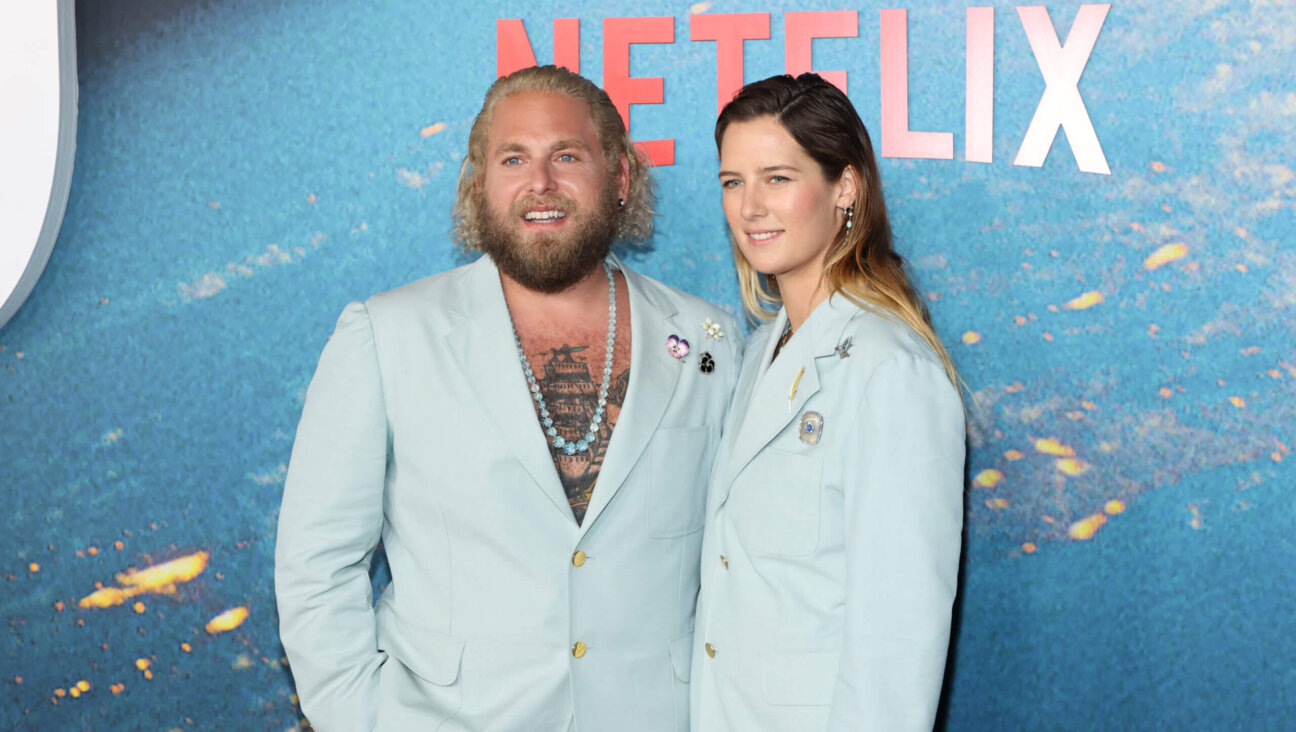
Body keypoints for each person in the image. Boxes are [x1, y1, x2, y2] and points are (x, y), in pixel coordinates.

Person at [275, 65, 742, 732]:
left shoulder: (711, 341)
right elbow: (314, 564)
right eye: (514, 157)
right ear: (479, 184)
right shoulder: (387, 336)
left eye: (568, 156)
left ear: (619, 178)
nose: (540, 183)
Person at [690, 73, 966, 731]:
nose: (750, 206)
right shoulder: (757, 352)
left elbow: (897, 638)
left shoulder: (891, 371)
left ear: (844, 186)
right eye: (734, 182)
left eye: (778, 178)